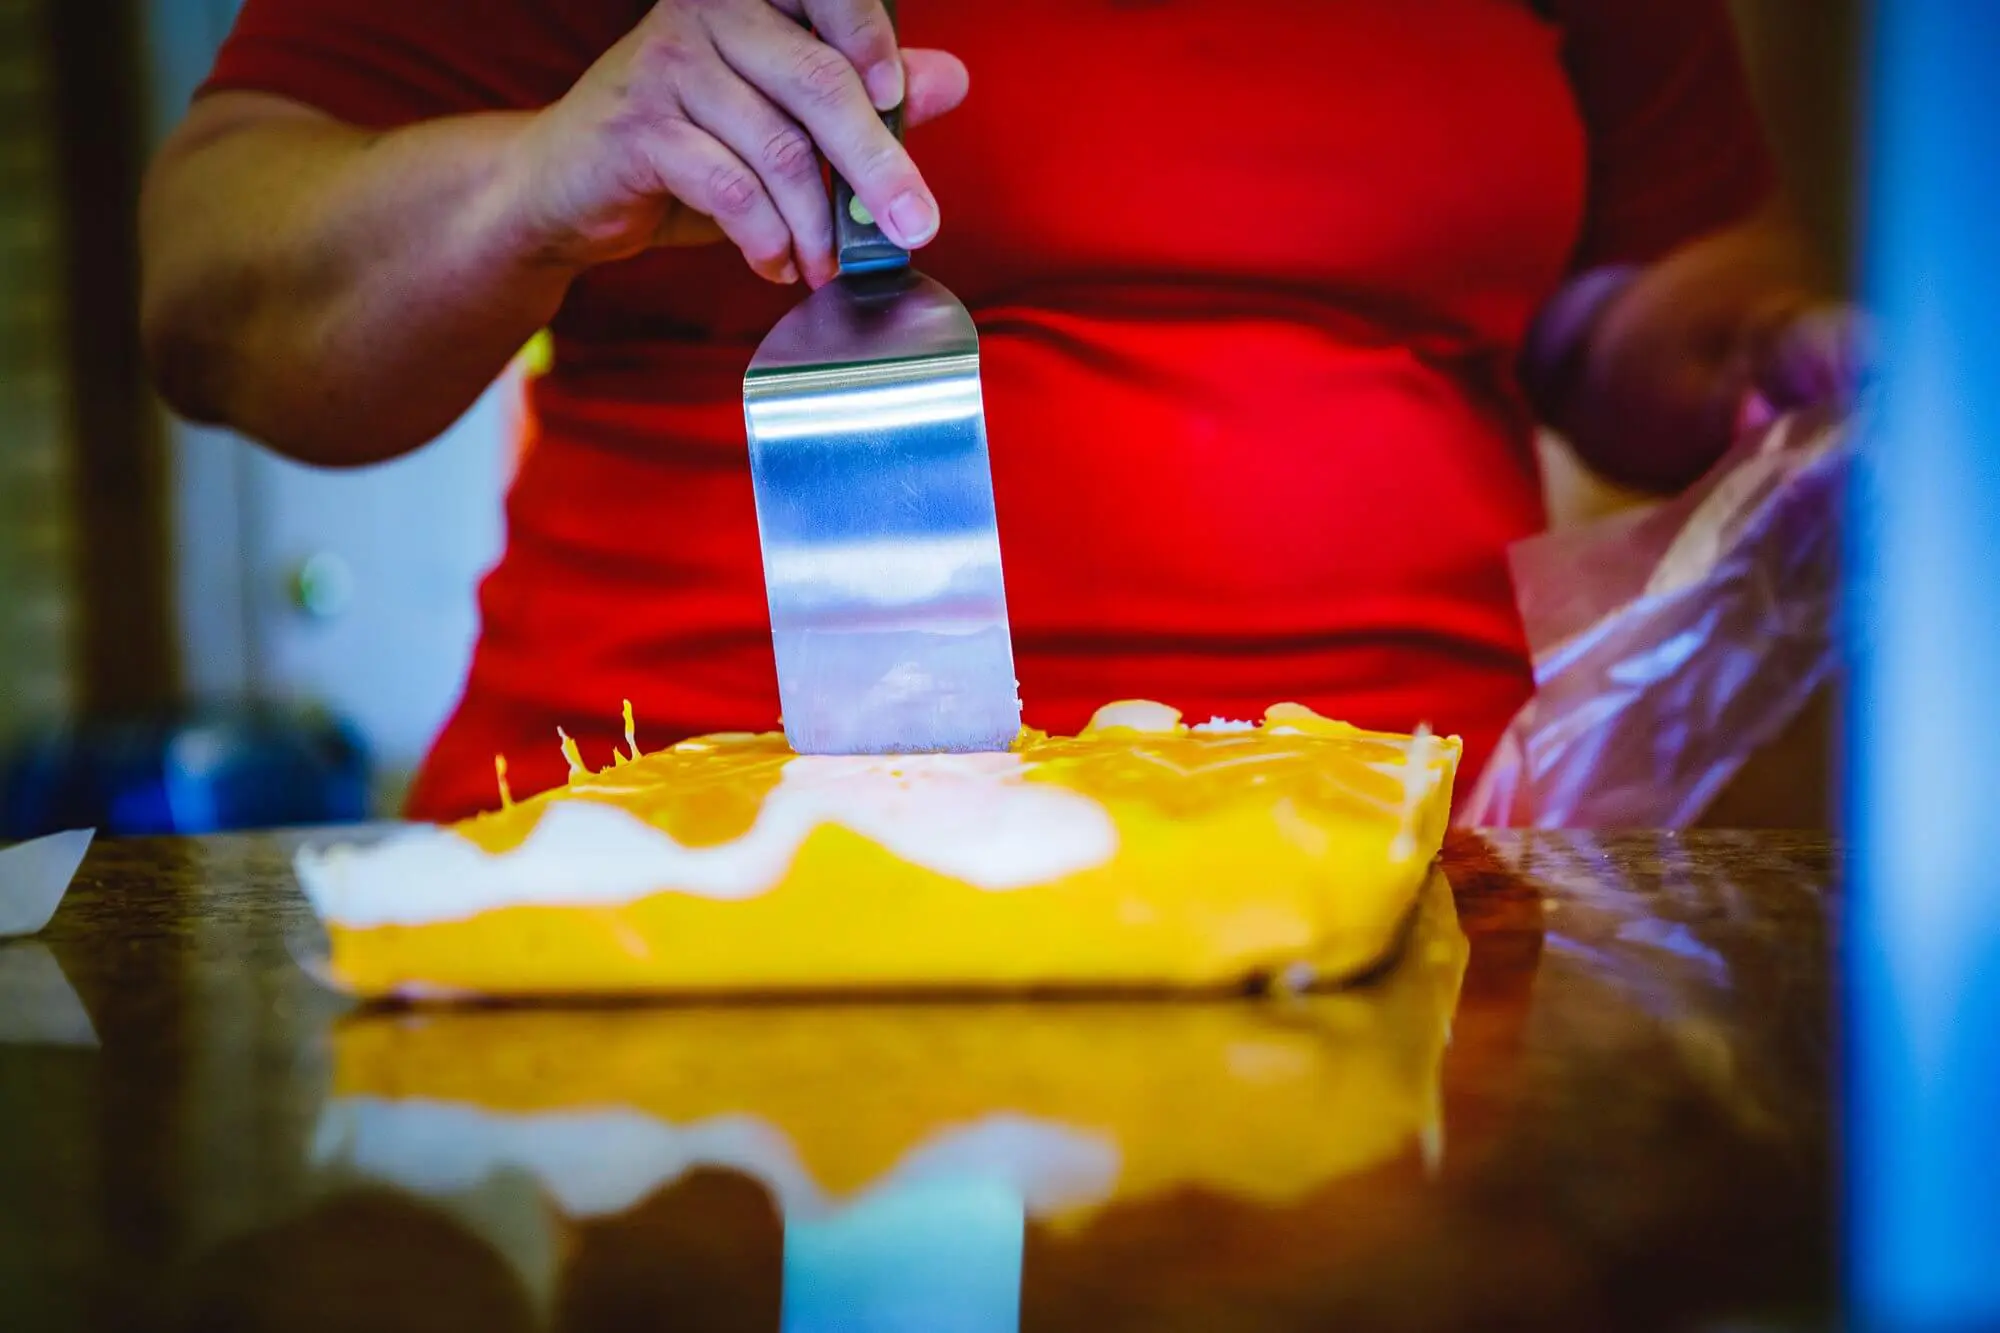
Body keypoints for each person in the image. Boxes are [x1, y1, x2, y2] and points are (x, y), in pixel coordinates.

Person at [139, 0, 1862, 822]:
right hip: (666, 905)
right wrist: (531, 178)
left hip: (1415, 914)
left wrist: (1772, 351)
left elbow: (1649, 299)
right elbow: (213, 306)